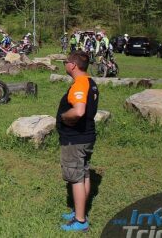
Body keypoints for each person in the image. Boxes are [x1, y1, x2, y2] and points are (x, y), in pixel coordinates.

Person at [56, 51, 99, 232]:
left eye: (66, 62)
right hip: (86, 136)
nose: (64, 64)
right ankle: (78, 211)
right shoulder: (90, 82)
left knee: (75, 178)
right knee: (83, 174)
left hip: (75, 140)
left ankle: (80, 221)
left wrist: (65, 116)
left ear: (73, 65)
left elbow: (79, 111)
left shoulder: (80, 84)